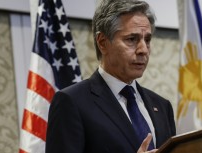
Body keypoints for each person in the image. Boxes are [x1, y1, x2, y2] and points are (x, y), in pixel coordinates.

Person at [45, 0, 176, 152]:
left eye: (147, 40)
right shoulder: (72, 102)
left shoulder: (162, 106)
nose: (143, 50)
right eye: (132, 39)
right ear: (102, 43)